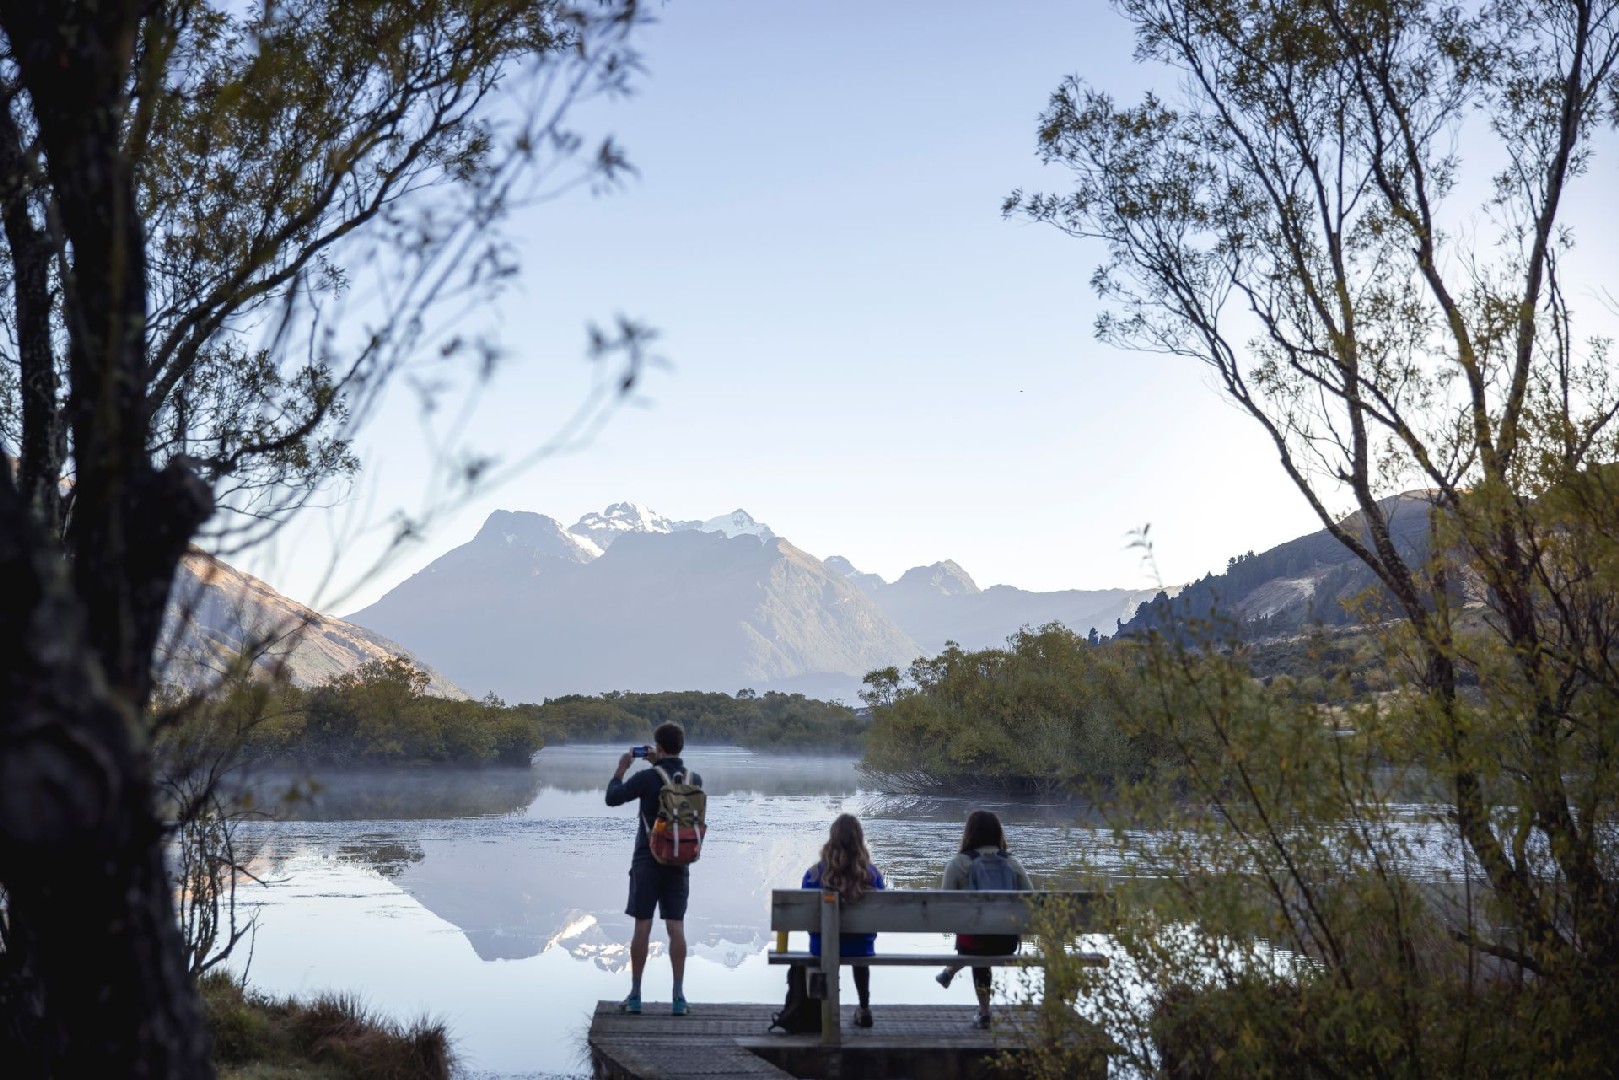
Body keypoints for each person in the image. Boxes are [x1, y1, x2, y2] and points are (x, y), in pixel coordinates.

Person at [605, 722, 702, 1017]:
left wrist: (621, 769)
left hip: (647, 860)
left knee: (642, 925)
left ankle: (635, 996)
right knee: (676, 927)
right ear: (681, 747)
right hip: (680, 860)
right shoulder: (693, 777)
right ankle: (679, 997)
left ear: (658, 747)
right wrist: (660, 761)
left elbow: (613, 798)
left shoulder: (647, 778)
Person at [935, 809, 1034, 1029]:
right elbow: (1032, 899)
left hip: (973, 941)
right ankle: (951, 972)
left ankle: (984, 1012)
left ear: (969, 833)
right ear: (998, 833)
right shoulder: (1013, 863)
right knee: (981, 938)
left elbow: (942, 904)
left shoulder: (958, 864)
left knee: (974, 940)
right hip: (1006, 941)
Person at [803, 813, 885, 1028]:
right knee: (857, 948)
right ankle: (864, 1008)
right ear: (860, 839)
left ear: (832, 838)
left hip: (823, 946)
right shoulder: (873, 874)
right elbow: (879, 916)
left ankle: (824, 1012)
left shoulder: (813, 874)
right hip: (861, 947)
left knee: (826, 948)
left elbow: (808, 920)